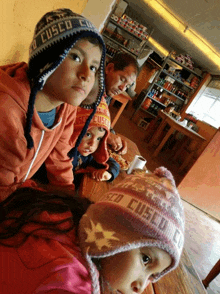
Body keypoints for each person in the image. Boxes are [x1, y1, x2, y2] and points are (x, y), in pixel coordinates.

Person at [0, 166, 185, 293]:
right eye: (146, 259)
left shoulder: (63, 214)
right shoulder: (71, 283)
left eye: (153, 276)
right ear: (117, 233)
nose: (140, 286)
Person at [0, 8, 106, 201]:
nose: (87, 74)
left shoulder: (66, 108)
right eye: (75, 57)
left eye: (93, 67)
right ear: (46, 59)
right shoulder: (7, 109)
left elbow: (60, 161)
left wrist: (68, 203)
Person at [82, 52, 139, 155]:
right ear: (109, 68)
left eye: (127, 86)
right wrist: (106, 135)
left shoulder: (106, 92)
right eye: (122, 79)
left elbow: (102, 119)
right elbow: (79, 117)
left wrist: (113, 136)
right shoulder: (91, 84)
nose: (122, 88)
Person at [71, 97, 120, 188]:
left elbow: (114, 164)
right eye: (88, 135)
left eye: (99, 139)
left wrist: (108, 174)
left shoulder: (89, 155)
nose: (92, 144)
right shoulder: (64, 154)